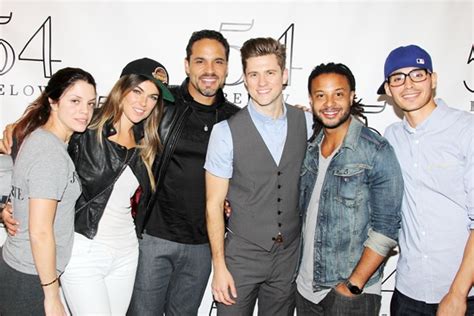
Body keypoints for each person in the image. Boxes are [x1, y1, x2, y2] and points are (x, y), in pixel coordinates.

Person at [1, 58, 174, 314]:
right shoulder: (85, 128)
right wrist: (5, 202)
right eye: (137, 91)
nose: (143, 103)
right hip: (85, 248)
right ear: (121, 88)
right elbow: (25, 164)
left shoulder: (147, 143)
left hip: (126, 251)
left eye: (152, 97)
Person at [127, 30, 240, 315]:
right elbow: (110, 120)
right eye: (200, 61)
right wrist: (29, 126)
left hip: (203, 245)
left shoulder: (236, 119)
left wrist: (298, 117)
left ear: (227, 67)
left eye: (218, 62)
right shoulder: (161, 104)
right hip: (154, 237)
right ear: (187, 65)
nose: (209, 70)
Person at [205, 37, 313, 315]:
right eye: (254, 74)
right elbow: (213, 205)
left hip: (289, 256)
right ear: (244, 78)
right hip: (241, 256)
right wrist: (219, 267)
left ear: (284, 75)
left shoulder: (308, 122)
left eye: (270, 72)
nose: (262, 82)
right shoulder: (224, 132)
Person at [295, 62, 403, 315]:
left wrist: (353, 285)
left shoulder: (375, 149)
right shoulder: (309, 149)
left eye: (338, 94)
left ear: (352, 96)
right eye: (321, 95)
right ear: (311, 100)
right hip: (304, 289)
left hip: (350, 295)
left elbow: (387, 227)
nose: (329, 103)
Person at [379, 45, 474, 316]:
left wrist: (457, 293)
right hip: (408, 291)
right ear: (388, 89)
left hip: (460, 294)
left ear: (433, 79)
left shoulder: (467, 129)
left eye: (417, 74)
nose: (408, 84)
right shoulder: (391, 137)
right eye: (398, 78)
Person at [0, 67, 96, 316]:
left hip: (23, 270)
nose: (84, 111)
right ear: (53, 102)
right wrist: (52, 296)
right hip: (30, 277)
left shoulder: (40, 138)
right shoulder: (50, 154)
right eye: (75, 101)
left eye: (90, 103)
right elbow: (40, 231)